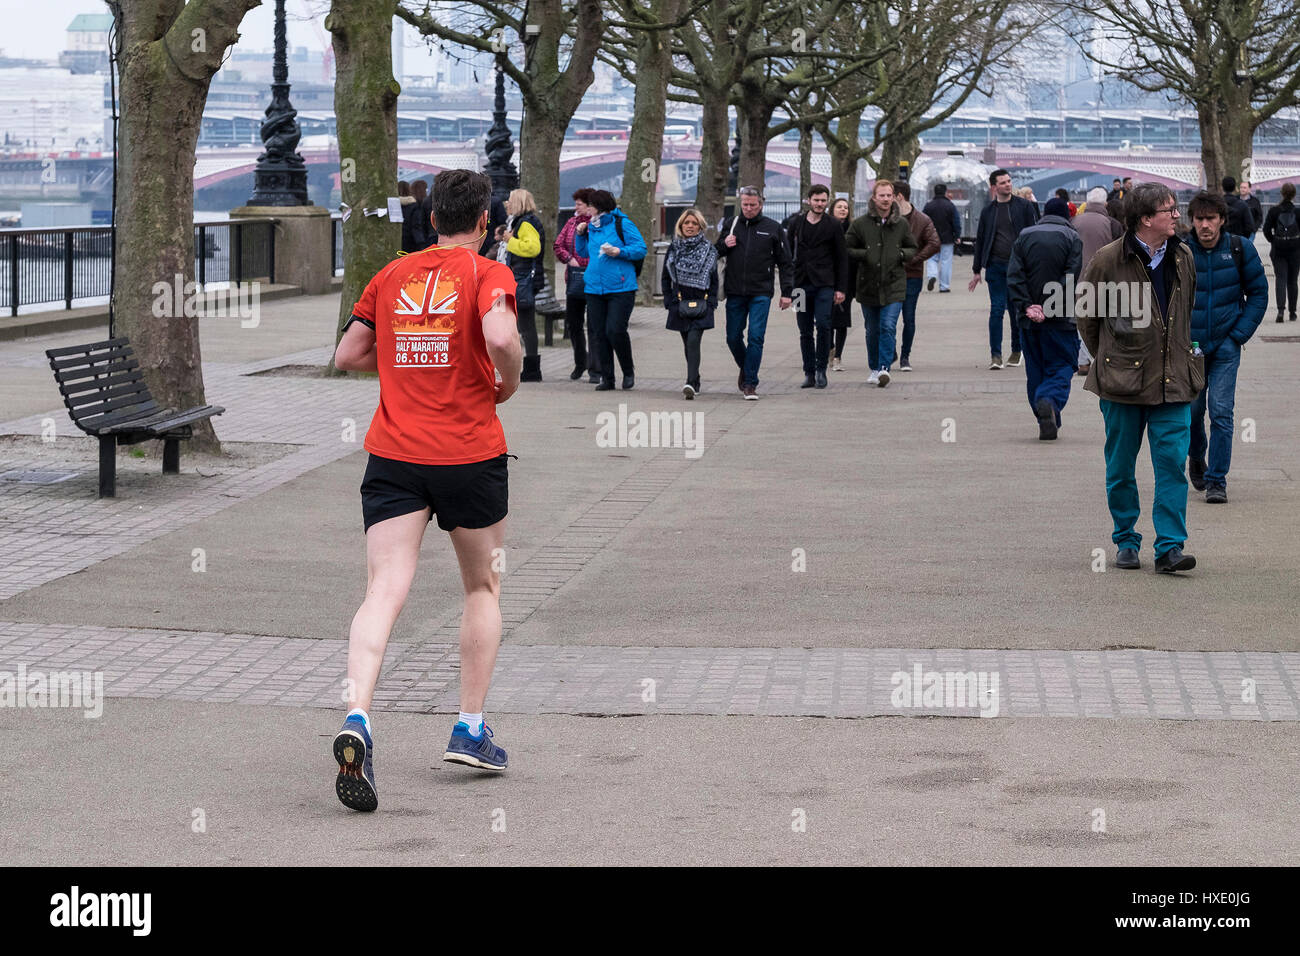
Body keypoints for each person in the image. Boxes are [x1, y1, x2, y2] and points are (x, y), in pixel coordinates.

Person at [330, 168, 523, 811]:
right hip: (470, 453)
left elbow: (349, 355)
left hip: (394, 455)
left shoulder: (393, 274)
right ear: (487, 222)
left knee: (383, 590)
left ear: (433, 217)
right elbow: (498, 336)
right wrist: (509, 376)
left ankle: (357, 714)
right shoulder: (489, 275)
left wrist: (405, 358)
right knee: (482, 586)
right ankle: (470, 727)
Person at [1077, 182, 1199, 574]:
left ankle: (1170, 547)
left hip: (1174, 382)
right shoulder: (1107, 260)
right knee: (1120, 468)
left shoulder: (1184, 257)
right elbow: (1088, 317)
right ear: (1146, 219)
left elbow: (1185, 312)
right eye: (1170, 210)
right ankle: (1126, 539)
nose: (1178, 215)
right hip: (1122, 386)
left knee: (1171, 465)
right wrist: (1110, 359)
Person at [1186, 190, 1268, 504]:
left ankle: (1217, 480)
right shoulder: (1180, 251)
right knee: (1192, 412)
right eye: (1199, 219)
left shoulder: (1239, 249)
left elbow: (1259, 294)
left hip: (1226, 345)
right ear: (1191, 220)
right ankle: (1196, 455)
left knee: (1221, 412)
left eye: (1210, 219)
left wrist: (1238, 334)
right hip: (1190, 346)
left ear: (1221, 220)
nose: (1205, 225)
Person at [1007, 196, 1083, 440]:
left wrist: (1028, 306)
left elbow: (1015, 275)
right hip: (1060, 318)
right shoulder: (1072, 238)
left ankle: (1046, 416)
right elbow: (1070, 277)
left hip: (1028, 320)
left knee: (1036, 370)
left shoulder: (1024, 236)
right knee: (1062, 365)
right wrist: (1049, 306)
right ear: (1067, 216)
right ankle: (1048, 401)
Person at [715, 186, 794, 400]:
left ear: (761, 204)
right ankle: (747, 366)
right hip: (735, 291)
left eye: (753, 205)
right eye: (745, 205)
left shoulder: (773, 228)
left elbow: (786, 263)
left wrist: (787, 293)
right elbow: (715, 252)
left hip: (761, 291)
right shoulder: (731, 225)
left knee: (756, 337)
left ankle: (750, 383)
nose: (749, 209)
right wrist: (724, 244)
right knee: (733, 337)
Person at [846, 178, 918, 387]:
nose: (886, 199)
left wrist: (901, 254)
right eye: (882, 195)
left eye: (889, 195)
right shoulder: (860, 224)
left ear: (894, 197)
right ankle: (874, 367)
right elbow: (847, 247)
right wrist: (865, 254)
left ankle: (885, 368)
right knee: (872, 329)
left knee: (888, 326)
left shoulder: (902, 223)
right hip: (868, 284)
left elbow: (913, 247)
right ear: (874, 198)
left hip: (894, 283)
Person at [576, 189, 646, 391]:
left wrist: (620, 252)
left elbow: (641, 248)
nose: (585, 208)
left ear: (597, 207)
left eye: (588, 205)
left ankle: (628, 371)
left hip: (621, 287)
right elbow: (581, 252)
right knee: (599, 334)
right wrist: (580, 235)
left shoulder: (621, 223)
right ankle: (607, 378)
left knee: (615, 330)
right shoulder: (591, 227)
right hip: (594, 288)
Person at [970, 168, 1040, 369]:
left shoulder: (1024, 207)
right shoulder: (988, 212)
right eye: (1003, 182)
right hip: (995, 267)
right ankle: (996, 355)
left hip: (1018, 268)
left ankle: (1017, 351)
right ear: (994, 187)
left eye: (1009, 181)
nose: (1008, 185)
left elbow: (1032, 236)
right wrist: (977, 270)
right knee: (997, 310)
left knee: (1017, 310)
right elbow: (981, 240)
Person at [785, 184, 848, 389]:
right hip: (800, 285)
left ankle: (821, 369)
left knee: (823, 324)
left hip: (825, 284)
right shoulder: (796, 223)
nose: (820, 204)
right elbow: (786, 256)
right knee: (804, 330)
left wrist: (841, 288)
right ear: (809, 200)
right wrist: (787, 288)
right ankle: (809, 372)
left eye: (823, 200)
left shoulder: (833, 225)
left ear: (827, 201)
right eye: (816, 200)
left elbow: (841, 258)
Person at [662, 208, 718, 399]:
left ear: (700, 226)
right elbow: (665, 277)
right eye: (687, 223)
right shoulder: (674, 248)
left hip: (701, 304)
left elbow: (714, 279)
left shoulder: (709, 249)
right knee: (687, 344)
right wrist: (669, 301)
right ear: (681, 225)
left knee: (694, 342)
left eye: (694, 223)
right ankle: (696, 378)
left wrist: (711, 301)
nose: (690, 226)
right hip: (680, 304)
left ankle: (690, 382)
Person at [1072, 186, 1125, 376]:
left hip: (1077, 278)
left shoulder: (1074, 221)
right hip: (1104, 279)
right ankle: (1099, 358)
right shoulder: (1112, 224)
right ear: (1105, 203)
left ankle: (1083, 362)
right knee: (1102, 320)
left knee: (1081, 321)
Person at [499, 189, 546, 382]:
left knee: (525, 324)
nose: (507, 204)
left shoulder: (525, 223)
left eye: (510, 201)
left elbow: (532, 248)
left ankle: (531, 369)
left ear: (518, 203)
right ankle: (530, 367)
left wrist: (511, 241)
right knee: (524, 324)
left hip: (522, 278)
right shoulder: (523, 221)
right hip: (524, 278)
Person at [554, 188, 600, 381]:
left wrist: (587, 264)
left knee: (594, 326)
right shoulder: (571, 222)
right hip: (573, 280)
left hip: (595, 281)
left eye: (579, 204)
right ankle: (580, 362)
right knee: (574, 324)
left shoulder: (597, 225)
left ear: (590, 206)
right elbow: (559, 245)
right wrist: (569, 258)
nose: (576, 207)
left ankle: (595, 368)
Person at [895, 181, 939, 371]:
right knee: (887, 318)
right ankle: (891, 351)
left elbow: (934, 243)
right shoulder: (886, 218)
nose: (886, 199)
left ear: (899, 196)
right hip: (889, 274)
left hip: (912, 275)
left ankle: (905, 356)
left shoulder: (922, 220)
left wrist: (915, 259)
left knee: (909, 317)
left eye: (890, 195)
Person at [1263, 181, 1300, 322]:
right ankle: (1292, 312)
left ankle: (1280, 311)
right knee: (1292, 280)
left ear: (1281, 193)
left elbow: (1266, 230)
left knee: (1281, 279)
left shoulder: (1274, 211)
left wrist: (1274, 240)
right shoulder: (1297, 212)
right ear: (1294, 195)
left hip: (1278, 249)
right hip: (1295, 249)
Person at [829, 197, 857, 370]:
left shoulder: (853, 230)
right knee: (827, 320)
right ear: (832, 209)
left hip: (848, 282)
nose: (843, 210)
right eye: (839, 207)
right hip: (827, 281)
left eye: (845, 207)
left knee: (842, 320)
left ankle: (838, 355)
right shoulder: (826, 227)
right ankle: (829, 349)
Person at [923, 183, 961, 293]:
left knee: (931, 259)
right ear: (945, 192)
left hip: (931, 238)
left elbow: (923, 222)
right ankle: (944, 286)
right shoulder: (950, 206)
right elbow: (956, 222)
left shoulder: (928, 206)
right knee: (946, 262)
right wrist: (957, 235)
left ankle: (932, 276)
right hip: (947, 238)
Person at [397, 181, 427, 254]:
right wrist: (421, 243)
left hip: (398, 239)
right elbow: (416, 226)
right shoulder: (414, 206)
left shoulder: (393, 205)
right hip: (411, 241)